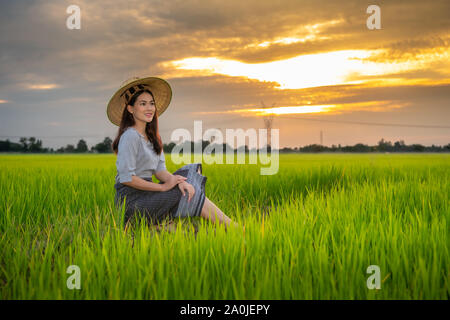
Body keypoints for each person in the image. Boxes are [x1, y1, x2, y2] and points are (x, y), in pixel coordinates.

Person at [107, 76, 238, 232]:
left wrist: (177, 182)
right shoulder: (130, 136)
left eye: (151, 103)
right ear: (131, 109)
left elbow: (160, 171)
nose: (149, 108)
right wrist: (162, 188)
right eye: (143, 104)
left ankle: (166, 225)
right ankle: (232, 227)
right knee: (181, 190)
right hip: (132, 202)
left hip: (148, 195)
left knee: (188, 176)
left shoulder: (153, 138)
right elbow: (126, 178)